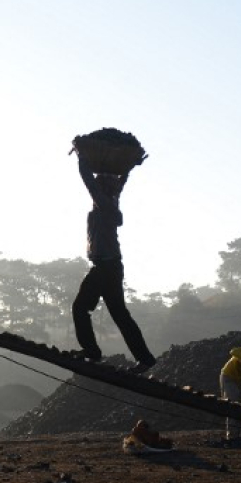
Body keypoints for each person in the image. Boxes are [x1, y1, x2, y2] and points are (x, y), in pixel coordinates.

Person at [70, 154, 155, 372]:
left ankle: (92, 351)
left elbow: (90, 183)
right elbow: (119, 185)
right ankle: (145, 359)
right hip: (112, 267)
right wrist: (128, 167)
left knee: (80, 308)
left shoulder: (105, 205)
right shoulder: (111, 202)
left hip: (105, 267)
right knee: (120, 315)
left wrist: (82, 158)